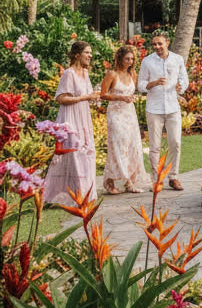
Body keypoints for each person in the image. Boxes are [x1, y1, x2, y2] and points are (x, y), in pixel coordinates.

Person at [43, 41, 99, 205]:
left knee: (86, 152)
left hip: (83, 117)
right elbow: (61, 98)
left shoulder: (85, 73)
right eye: (87, 52)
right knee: (73, 154)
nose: (90, 56)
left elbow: (88, 94)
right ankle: (69, 195)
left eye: (90, 53)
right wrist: (85, 98)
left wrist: (94, 97)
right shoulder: (69, 73)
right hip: (70, 118)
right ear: (77, 54)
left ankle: (85, 192)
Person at [137, 32, 189, 190]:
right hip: (154, 109)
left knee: (176, 143)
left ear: (167, 42)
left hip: (173, 107)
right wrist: (153, 83)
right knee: (155, 146)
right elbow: (140, 85)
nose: (157, 47)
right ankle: (156, 178)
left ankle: (173, 177)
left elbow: (184, 79)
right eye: (154, 44)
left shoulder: (177, 59)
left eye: (159, 43)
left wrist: (181, 87)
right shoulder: (147, 61)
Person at [99, 45, 147, 194]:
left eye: (132, 59)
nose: (130, 61)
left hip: (130, 114)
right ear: (120, 58)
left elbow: (136, 91)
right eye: (127, 58)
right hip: (116, 114)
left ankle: (129, 182)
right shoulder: (112, 74)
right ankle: (110, 181)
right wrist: (121, 97)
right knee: (117, 147)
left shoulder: (133, 74)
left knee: (132, 146)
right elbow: (103, 94)